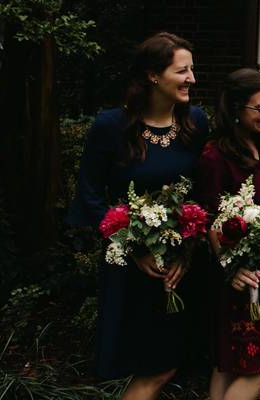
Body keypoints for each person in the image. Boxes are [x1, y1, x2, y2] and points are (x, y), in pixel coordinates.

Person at [67, 32, 208, 399]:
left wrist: (188, 253)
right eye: (182, 70)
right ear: (153, 76)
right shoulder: (111, 127)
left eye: (192, 70)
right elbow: (90, 195)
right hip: (131, 268)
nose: (192, 78)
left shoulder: (196, 123)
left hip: (179, 268)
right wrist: (133, 247)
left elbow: (203, 193)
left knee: (173, 361)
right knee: (152, 365)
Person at [195, 69, 260, 400]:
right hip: (238, 279)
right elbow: (209, 220)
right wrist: (231, 268)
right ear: (236, 109)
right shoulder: (214, 157)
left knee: (229, 367)